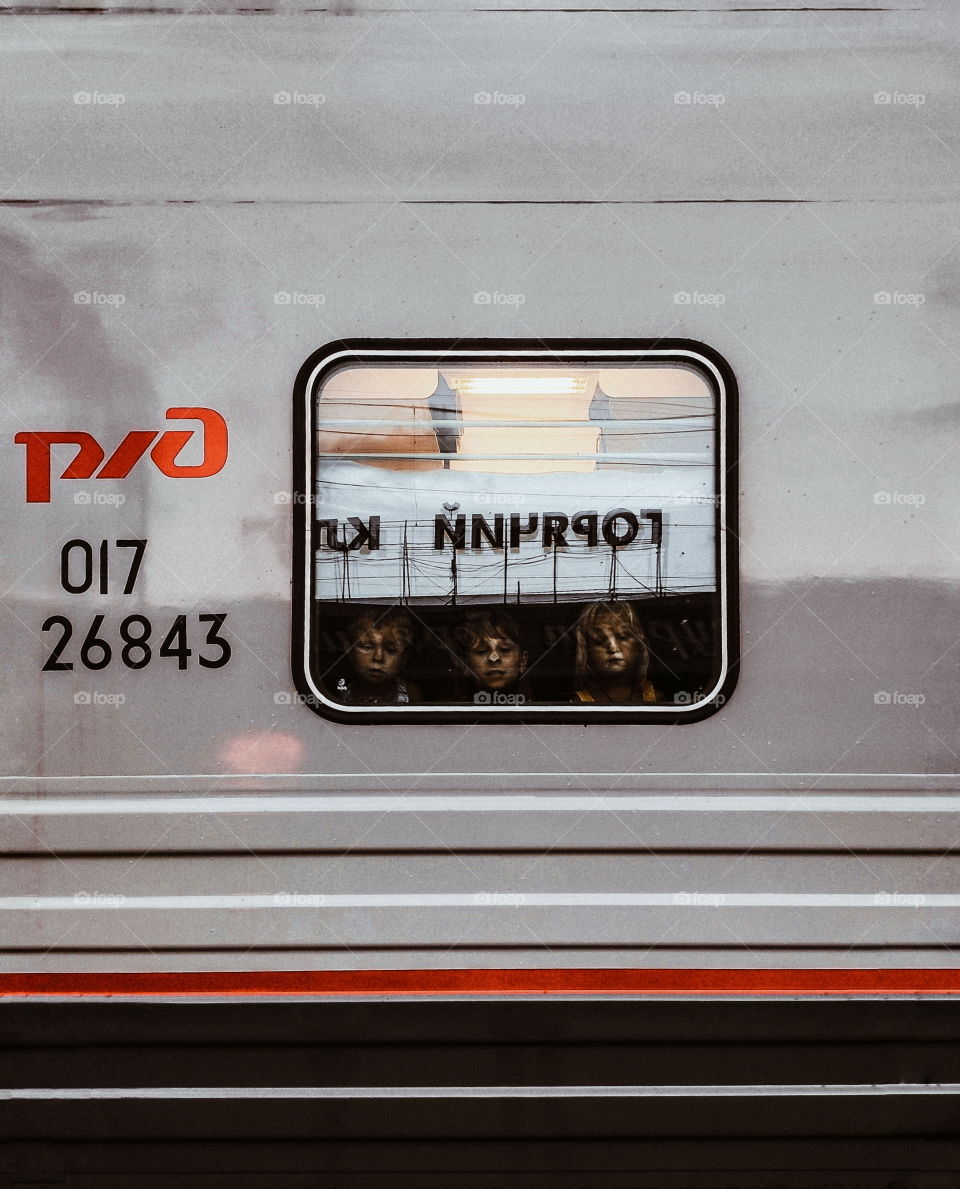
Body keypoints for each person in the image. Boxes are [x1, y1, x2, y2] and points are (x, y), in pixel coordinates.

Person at [572, 601, 657, 704]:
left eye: (623, 637)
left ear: (639, 645)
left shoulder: (654, 696)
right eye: (600, 640)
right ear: (586, 650)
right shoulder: (580, 703)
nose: (613, 648)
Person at [340, 608, 419, 705]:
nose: (378, 657)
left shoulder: (410, 693)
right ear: (348, 649)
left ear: (405, 657)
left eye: (390, 650)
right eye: (367, 647)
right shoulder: (340, 695)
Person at [453, 610, 529, 702]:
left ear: (523, 661)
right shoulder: (445, 711)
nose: (494, 658)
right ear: (464, 664)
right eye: (481, 651)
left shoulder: (538, 709)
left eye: (504, 650)